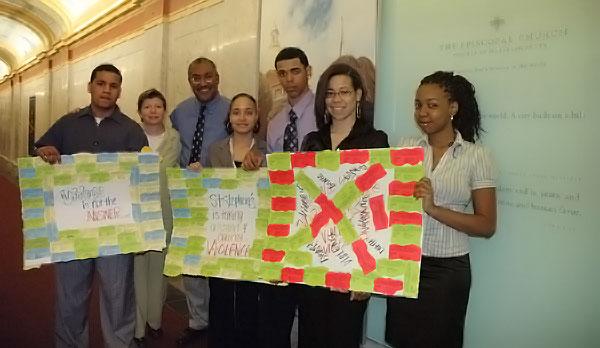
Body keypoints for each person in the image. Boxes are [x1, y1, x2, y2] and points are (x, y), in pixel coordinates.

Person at [35, 64, 148, 348]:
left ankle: (120, 344)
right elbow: (39, 149)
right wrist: (44, 152)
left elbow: (144, 178)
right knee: (70, 297)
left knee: (117, 296)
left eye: (113, 85)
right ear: (90, 86)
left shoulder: (133, 131)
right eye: (101, 84)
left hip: (116, 230)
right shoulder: (67, 124)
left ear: (119, 90)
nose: (106, 90)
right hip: (73, 229)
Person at [385, 71, 497, 348]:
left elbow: (486, 225)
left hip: (448, 271)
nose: (423, 112)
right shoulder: (406, 148)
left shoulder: (475, 156)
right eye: (418, 104)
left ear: (453, 108)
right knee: (402, 340)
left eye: (432, 105)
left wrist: (433, 209)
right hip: (405, 262)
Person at [300, 63, 388, 348]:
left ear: (359, 95)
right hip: (313, 256)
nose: (336, 100)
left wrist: (367, 277)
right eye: (330, 93)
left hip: (353, 262)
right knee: (311, 336)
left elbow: (379, 209)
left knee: (342, 337)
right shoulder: (312, 141)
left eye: (344, 92)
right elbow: (301, 203)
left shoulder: (376, 141)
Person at [245, 47, 317, 348]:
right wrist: (257, 159)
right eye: (283, 73)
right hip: (283, 220)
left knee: (311, 311)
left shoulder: (324, 113)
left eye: (295, 71)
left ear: (308, 71)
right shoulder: (275, 122)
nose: (289, 79)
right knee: (278, 307)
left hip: (316, 220)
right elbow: (273, 167)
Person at [170, 57, 230, 346]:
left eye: (208, 76)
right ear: (189, 79)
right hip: (187, 195)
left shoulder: (232, 110)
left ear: (217, 77)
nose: (203, 82)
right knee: (190, 260)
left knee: (217, 258)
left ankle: (219, 320)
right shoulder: (179, 113)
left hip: (220, 197)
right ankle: (197, 320)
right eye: (196, 77)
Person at [206, 93, 267, 348]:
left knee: (248, 298)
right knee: (219, 296)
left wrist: (264, 167)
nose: (242, 117)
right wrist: (196, 175)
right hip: (221, 236)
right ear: (229, 118)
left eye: (248, 112)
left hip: (253, 237)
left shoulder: (267, 150)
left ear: (256, 118)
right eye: (236, 112)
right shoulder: (215, 150)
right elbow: (206, 192)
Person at [133, 89, 181, 346]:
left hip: (165, 213)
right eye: (147, 106)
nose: (153, 111)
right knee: (138, 269)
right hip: (137, 214)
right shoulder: (131, 137)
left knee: (159, 270)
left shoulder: (175, 138)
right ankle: (138, 327)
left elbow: (180, 172)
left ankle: (155, 321)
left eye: (158, 106)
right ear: (139, 111)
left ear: (165, 109)